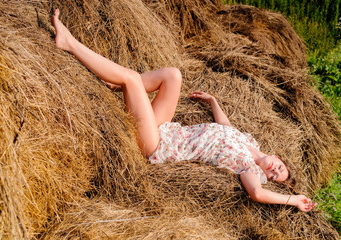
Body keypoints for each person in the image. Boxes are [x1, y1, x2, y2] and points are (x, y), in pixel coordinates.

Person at [51, 9, 317, 212]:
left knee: (132, 78)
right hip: (166, 129)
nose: (272, 170)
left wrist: (292, 200)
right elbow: (227, 129)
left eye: (274, 176)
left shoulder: (248, 168)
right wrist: (214, 102)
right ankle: (114, 82)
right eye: (278, 167)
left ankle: (70, 43)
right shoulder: (249, 143)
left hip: (155, 145)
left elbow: (257, 194)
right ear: (278, 156)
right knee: (173, 75)